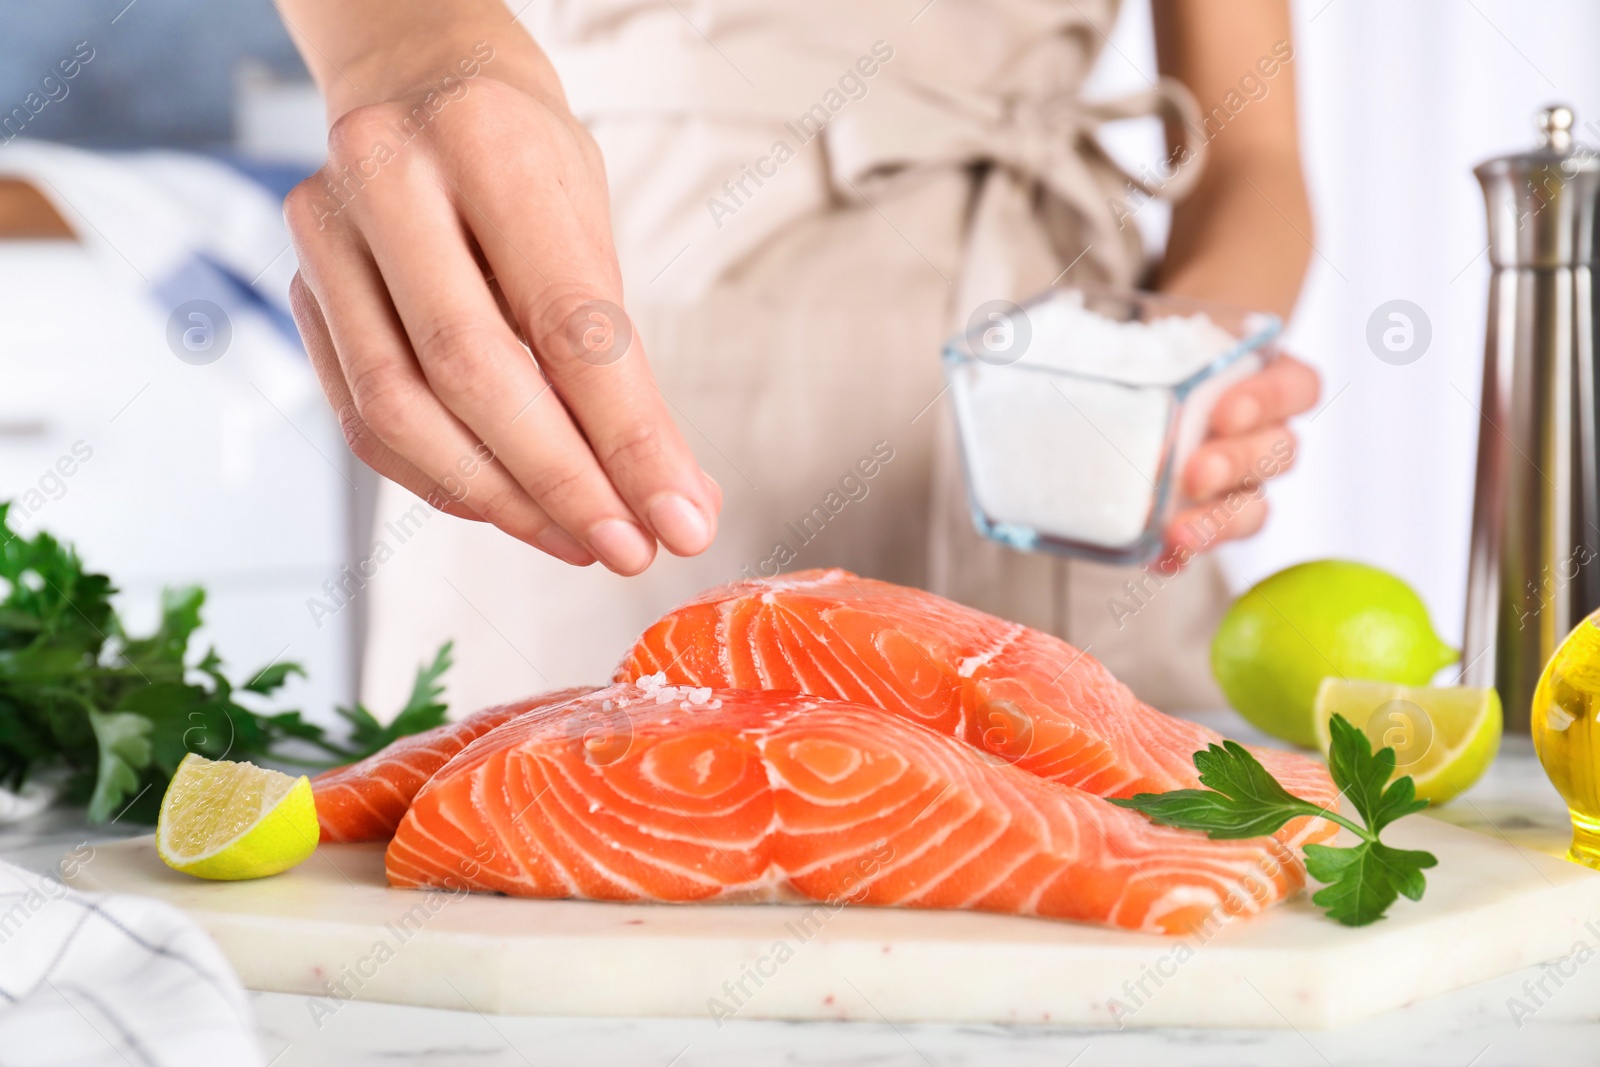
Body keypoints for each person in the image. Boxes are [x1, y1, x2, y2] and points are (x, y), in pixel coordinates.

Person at [274, 0, 1320, 714]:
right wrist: (401, 55)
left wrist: (1184, 384)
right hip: (596, 369)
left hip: (1057, 466)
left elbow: (1253, 157)